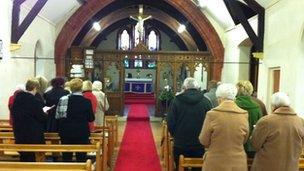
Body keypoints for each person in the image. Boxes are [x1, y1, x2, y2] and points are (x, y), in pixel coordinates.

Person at [199, 83, 249, 171]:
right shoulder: (243, 114)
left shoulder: (212, 114)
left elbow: (203, 140)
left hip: (215, 162)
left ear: (220, 98)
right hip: (238, 163)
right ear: (234, 97)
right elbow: (245, 139)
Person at [250, 92, 304, 171]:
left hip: (266, 166)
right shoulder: (300, 121)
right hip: (291, 167)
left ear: (274, 106)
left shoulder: (266, 121)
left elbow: (255, 145)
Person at [167, 77, 211, 170]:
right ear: (198, 88)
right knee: (198, 168)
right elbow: (210, 123)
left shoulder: (176, 101)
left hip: (180, 143)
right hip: (199, 143)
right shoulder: (206, 102)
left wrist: (175, 135)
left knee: (180, 166)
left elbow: (170, 121)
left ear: (184, 87)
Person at [56, 78, 95, 162]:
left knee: (66, 157)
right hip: (81, 132)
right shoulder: (86, 101)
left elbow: (58, 116)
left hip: (65, 132)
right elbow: (91, 118)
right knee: (81, 157)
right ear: (81, 88)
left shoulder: (63, 99)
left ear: (70, 88)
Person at [11, 78, 48, 162]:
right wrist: (45, 113)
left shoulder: (17, 99)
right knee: (31, 158)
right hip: (32, 134)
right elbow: (41, 118)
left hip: (19, 132)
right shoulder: (34, 101)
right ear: (35, 88)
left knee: (24, 156)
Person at [235, 80, 262, 158]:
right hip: (251, 146)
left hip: (236, 144)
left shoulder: (233, 105)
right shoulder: (257, 106)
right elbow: (260, 126)